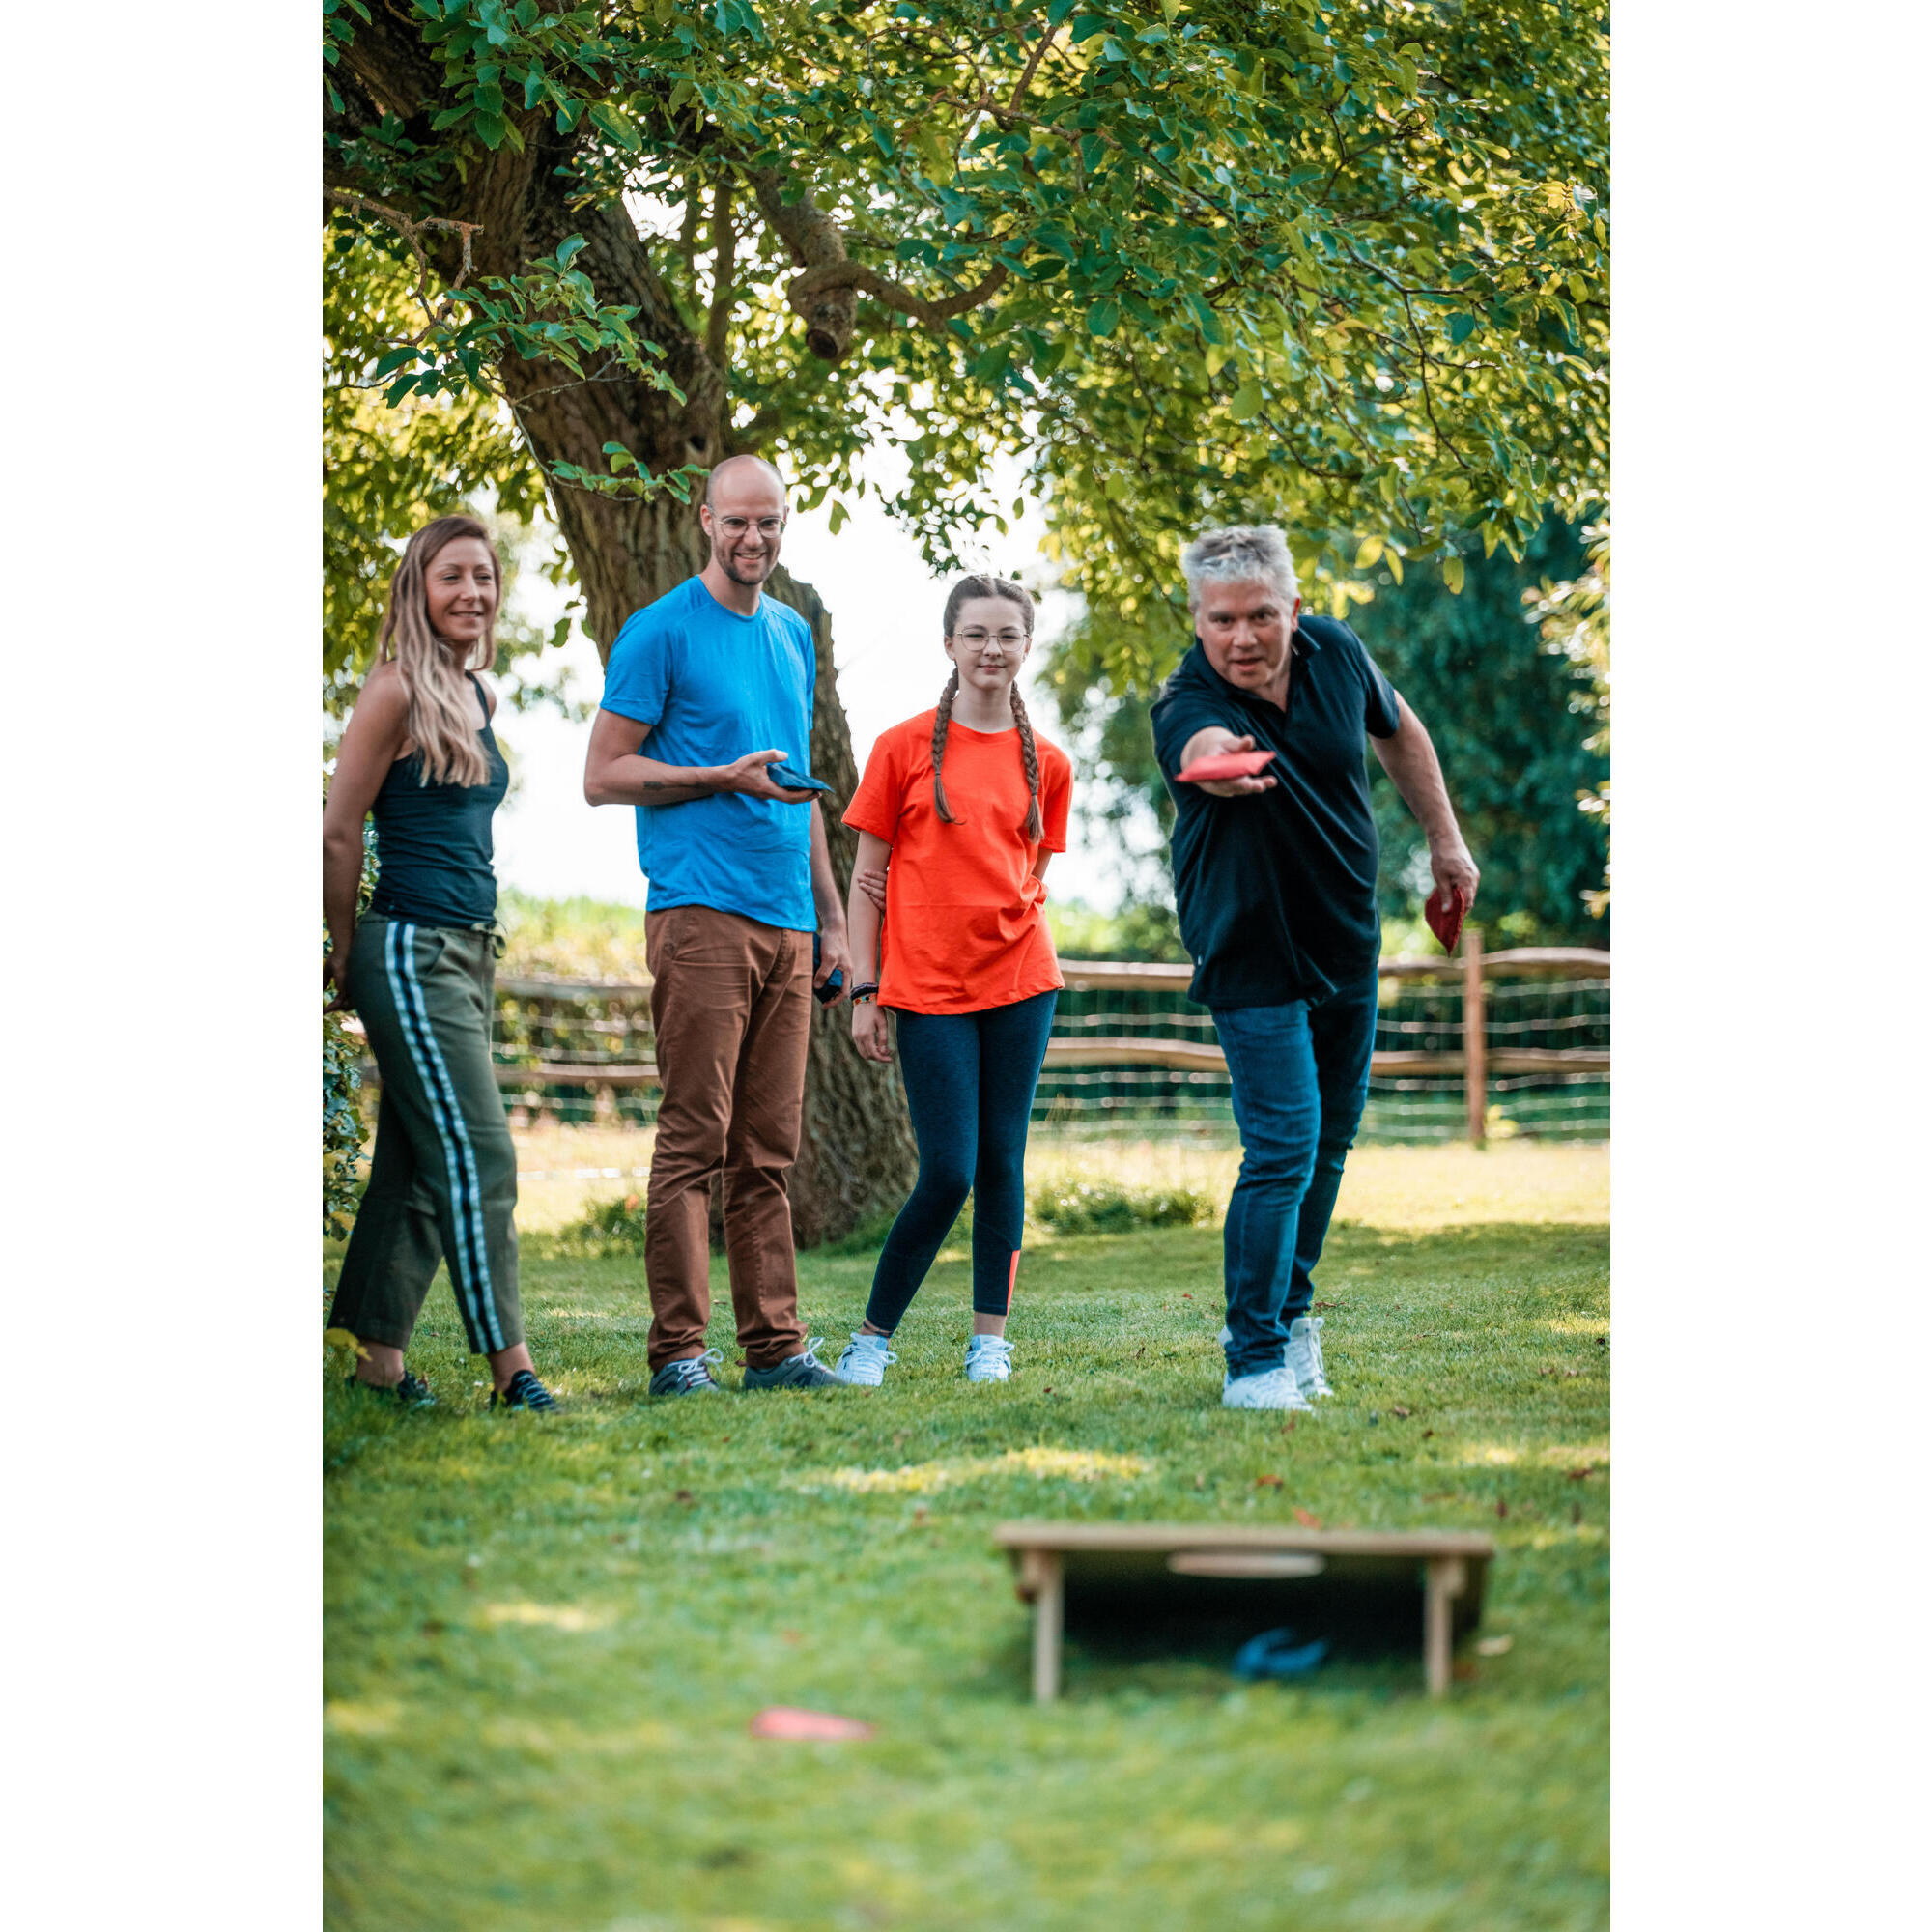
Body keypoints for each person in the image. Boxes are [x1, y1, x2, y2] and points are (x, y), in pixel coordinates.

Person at [1149, 525, 1480, 1412]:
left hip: (1347, 944)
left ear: (1295, 610)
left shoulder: (1336, 652)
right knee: (1284, 1147)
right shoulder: (1184, 697)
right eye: (1221, 621)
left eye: (1261, 616)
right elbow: (1198, 747)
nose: (1243, 639)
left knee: (1329, 1146)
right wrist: (1219, 765)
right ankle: (1251, 1359)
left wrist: (1446, 844)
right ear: (1198, 618)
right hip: (1251, 950)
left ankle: (1292, 1323)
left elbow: (1401, 732)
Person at [583, 455, 853, 1395]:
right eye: (737, 521)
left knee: (767, 1148)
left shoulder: (789, 633)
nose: (753, 538)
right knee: (693, 1138)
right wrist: (714, 777)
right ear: (704, 518)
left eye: (769, 522)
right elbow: (602, 774)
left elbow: (802, 786)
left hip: (786, 923)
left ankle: (774, 1348)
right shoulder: (659, 632)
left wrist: (831, 920)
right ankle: (678, 1353)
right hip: (699, 911)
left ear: (784, 525)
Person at [324, 515, 558, 1412]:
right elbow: (340, 829)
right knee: (482, 1155)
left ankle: (372, 1363)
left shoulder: (480, 697)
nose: (473, 593)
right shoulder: (393, 691)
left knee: (419, 1162)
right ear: (418, 587)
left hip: (468, 948)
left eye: (485, 578)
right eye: (452, 576)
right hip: (411, 945)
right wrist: (345, 950)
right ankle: (513, 1373)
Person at [832, 575, 1072, 1387]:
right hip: (927, 989)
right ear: (949, 644)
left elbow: (1027, 874)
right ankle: (870, 1340)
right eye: (976, 634)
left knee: (1003, 1162)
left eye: (1007, 635)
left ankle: (989, 1343)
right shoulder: (899, 749)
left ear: (1026, 647)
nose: (992, 649)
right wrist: (865, 989)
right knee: (948, 1171)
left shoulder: (1051, 763)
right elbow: (868, 882)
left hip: (1021, 982)